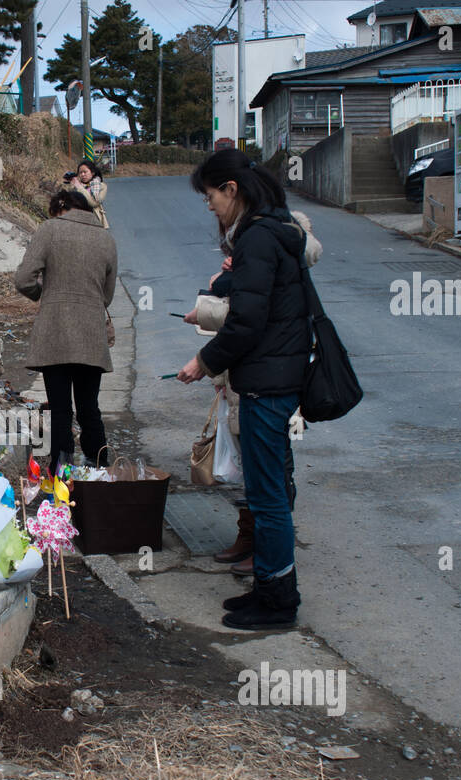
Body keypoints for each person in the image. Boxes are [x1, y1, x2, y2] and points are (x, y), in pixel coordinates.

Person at [176, 149, 311, 631]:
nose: (209, 206)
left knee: (269, 496)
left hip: (266, 385)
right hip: (277, 379)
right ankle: (270, 589)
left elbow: (248, 322)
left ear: (232, 190)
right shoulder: (277, 230)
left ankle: (277, 601)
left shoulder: (258, 238)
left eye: (211, 196)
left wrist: (202, 361)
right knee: (267, 492)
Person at [183, 211, 321, 575]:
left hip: (269, 381)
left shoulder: (276, 249)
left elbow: (246, 319)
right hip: (247, 376)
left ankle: (270, 555)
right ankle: (252, 541)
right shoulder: (261, 254)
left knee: (271, 470)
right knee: (252, 467)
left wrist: (208, 319)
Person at [15, 189, 118, 472]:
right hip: (91, 335)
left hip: (55, 332)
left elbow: (23, 279)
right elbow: (107, 296)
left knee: (59, 409)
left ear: (60, 208)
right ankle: (98, 470)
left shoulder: (49, 230)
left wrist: (45, 293)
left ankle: (62, 474)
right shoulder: (106, 239)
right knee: (89, 408)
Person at [66, 159, 109, 228]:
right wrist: (72, 185)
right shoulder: (76, 186)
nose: (82, 175)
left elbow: (94, 203)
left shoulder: (102, 186)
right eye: (80, 173)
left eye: (85, 172)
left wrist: (79, 187)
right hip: (78, 220)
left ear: (92, 173)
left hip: (95, 221)